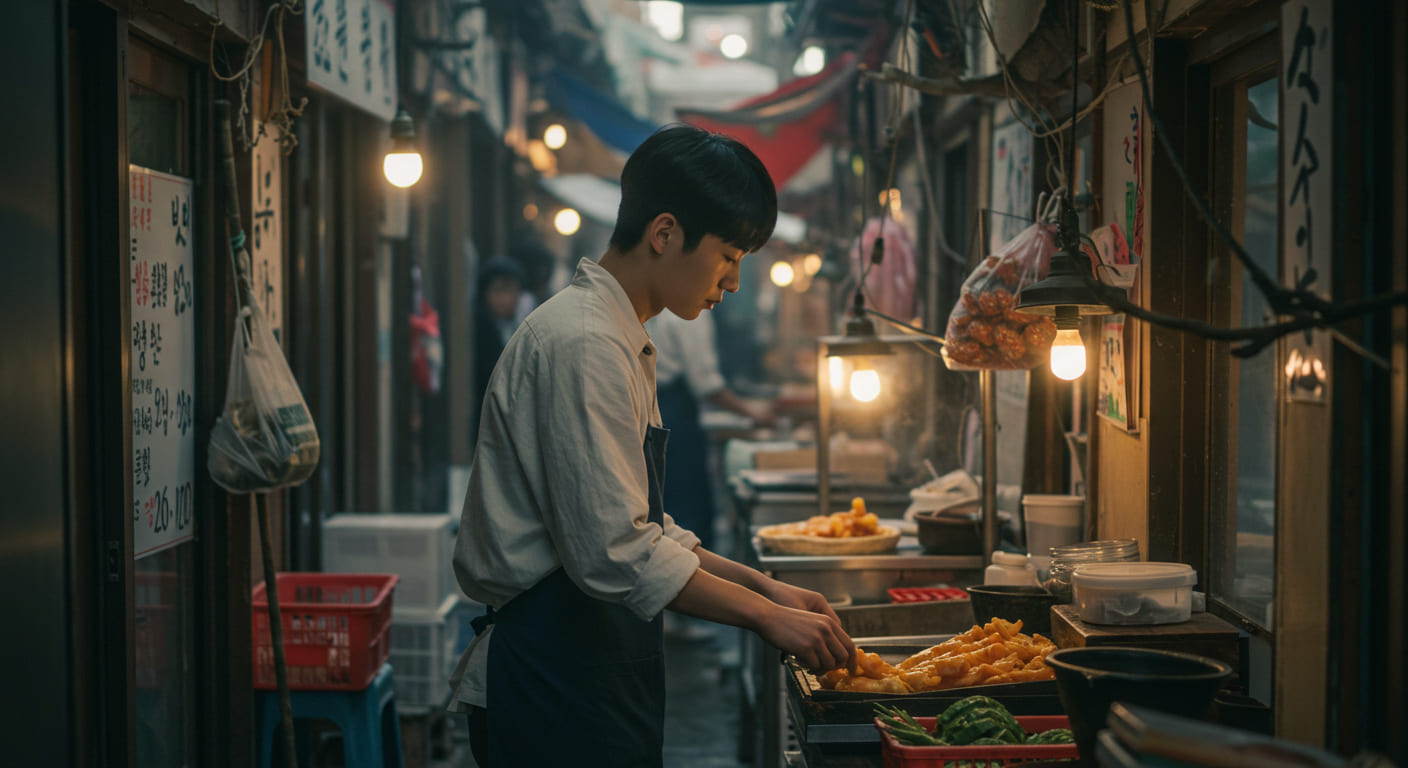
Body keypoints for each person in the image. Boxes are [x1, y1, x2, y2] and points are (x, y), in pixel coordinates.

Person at [450, 124, 856, 768]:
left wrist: (767, 588)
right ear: (664, 233)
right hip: (555, 676)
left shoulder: (619, 336)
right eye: (728, 256)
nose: (733, 282)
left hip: (591, 661)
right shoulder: (584, 344)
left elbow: (644, 525)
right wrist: (762, 617)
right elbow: (616, 552)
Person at [644, 308, 776, 640]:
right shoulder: (690, 312)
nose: (727, 287)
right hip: (676, 415)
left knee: (663, 505)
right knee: (686, 509)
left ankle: (668, 613)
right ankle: (678, 615)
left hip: (661, 408)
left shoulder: (656, 309)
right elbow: (707, 383)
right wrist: (752, 413)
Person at [471, 257, 524, 422]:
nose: (506, 300)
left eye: (512, 292)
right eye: (499, 291)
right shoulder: (479, 328)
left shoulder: (521, 324)